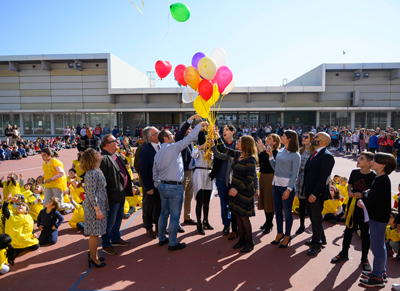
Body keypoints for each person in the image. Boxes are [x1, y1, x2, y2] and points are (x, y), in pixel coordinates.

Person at [153, 121, 208, 251]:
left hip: (163, 186)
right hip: (174, 187)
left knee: (163, 213)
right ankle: (172, 243)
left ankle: (162, 238)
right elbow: (189, 138)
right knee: (174, 215)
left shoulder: (158, 153)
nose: (173, 135)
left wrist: (158, 184)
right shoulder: (174, 147)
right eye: (171, 134)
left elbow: (154, 172)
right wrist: (199, 126)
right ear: (165, 138)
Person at [214, 131, 258, 252]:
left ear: (246, 145)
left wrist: (236, 189)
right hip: (235, 191)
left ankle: (250, 242)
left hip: (243, 192)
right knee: (237, 216)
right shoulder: (238, 154)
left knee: (244, 217)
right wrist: (217, 136)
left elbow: (250, 179)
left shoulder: (251, 159)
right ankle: (242, 239)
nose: (237, 142)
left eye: (239, 141)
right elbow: (223, 148)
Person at [331, 152, 375, 270]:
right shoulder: (354, 172)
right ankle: (344, 253)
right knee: (348, 229)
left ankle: (364, 259)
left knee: (365, 233)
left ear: (369, 163)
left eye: (362, 159)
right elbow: (350, 185)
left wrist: (363, 194)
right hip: (352, 205)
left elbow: (373, 189)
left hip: (364, 207)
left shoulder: (373, 176)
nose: (358, 160)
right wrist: (350, 191)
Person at [358, 153, 396, 287]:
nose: (371, 162)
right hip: (377, 217)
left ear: (383, 165)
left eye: (375, 160)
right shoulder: (380, 178)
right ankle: (379, 272)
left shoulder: (381, 180)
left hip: (378, 218)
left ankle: (378, 277)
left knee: (377, 247)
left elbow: (370, 199)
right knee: (378, 246)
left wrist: (364, 195)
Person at [267, 130, 301, 248]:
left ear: (290, 139)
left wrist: (288, 189)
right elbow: (276, 167)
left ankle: (287, 235)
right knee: (278, 211)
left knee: (287, 212)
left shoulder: (296, 155)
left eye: (283, 136)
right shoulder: (281, 151)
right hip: (276, 184)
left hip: (286, 187)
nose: (281, 137)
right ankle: (279, 233)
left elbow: (295, 174)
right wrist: (271, 156)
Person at [100, 135, 132, 255]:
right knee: (110, 221)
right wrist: (106, 196)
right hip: (112, 195)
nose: (118, 142)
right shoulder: (103, 158)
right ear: (107, 144)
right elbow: (102, 180)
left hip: (120, 193)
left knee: (118, 218)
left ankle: (115, 238)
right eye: (115, 141)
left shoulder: (117, 155)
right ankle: (106, 244)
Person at [304, 132, 335, 256]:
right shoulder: (316, 153)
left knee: (316, 219)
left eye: (316, 137)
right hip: (310, 192)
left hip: (316, 194)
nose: (313, 138)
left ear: (322, 141)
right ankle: (321, 238)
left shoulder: (327, 156)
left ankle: (317, 245)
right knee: (313, 217)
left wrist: (315, 194)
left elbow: (323, 178)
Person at [80, 148, 109, 268]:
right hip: (94, 206)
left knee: (97, 232)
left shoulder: (98, 169)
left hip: (99, 203)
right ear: (93, 157)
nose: (99, 153)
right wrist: (97, 209)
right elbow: (90, 193)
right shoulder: (91, 172)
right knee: (95, 233)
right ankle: (93, 257)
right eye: (97, 153)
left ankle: (93, 253)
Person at [209, 124, 237, 235]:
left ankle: (236, 225)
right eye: (223, 130)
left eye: (226, 130)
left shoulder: (238, 145)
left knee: (235, 203)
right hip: (221, 178)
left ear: (232, 132)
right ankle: (226, 224)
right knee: (224, 203)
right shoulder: (217, 143)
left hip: (235, 179)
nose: (224, 131)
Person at [175, 114, 201, 227]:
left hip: (191, 171)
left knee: (189, 196)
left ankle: (187, 216)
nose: (190, 130)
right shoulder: (180, 140)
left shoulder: (190, 142)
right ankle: (176, 221)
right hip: (183, 172)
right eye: (189, 129)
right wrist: (190, 121)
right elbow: (182, 132)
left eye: (191, 129)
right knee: (180, 197)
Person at [191, 130, 216, 235]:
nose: (208, 142)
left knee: (207, 201)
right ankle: (199, 223)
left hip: (209, 174)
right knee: (199, 200)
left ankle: (206, 221)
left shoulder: (212, 151)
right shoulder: (198, 150)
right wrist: (199, 147)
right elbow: (193, 155)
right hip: (199, 173)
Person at [140, 126, 162, 239]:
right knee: (149, 208)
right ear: (151, 138)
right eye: (157, 133)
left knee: (159, 206)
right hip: (151, 185)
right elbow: (143, 171)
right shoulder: (146, 151)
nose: (159, 133)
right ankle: (148, 228)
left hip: (161, 184)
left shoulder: (162, 146)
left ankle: (159, 226)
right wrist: (148, 187)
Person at [256, 133, 281, 234]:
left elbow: (269, 164)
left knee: (269, 201)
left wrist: (261, 151)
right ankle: (267, 221)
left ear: (275, 142)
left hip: (271, 177)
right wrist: (260, 151)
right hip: (263, 176)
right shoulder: (266, 151)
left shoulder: (276, 153)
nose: (267, 140)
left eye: (269, 139)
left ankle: (269, 223)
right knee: (265, 200)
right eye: (267, 138)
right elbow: (260, 161)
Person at [294, 132, 315, 235]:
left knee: (311, 206)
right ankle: (301, 225)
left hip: (310, 182)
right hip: (300, 181)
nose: (303, 138)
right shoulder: (300, 151)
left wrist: (304, 168)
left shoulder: (314, 152)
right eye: (303, 136)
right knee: (301, 205)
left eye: (306, 137)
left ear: (311, 139)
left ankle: (315, 228)